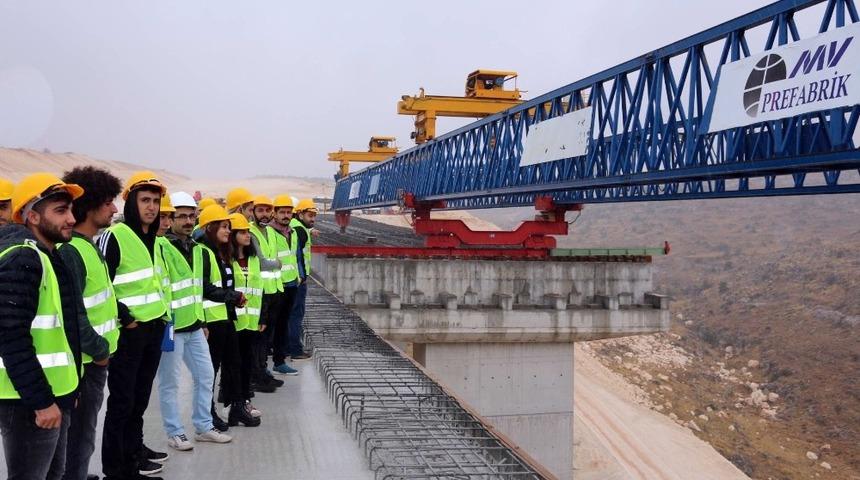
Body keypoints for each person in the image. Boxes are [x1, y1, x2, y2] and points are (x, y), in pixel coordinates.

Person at [0, 173, 86, 480]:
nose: (72, 219)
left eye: (71, 210)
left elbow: (62, 332)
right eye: (60, 211)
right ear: (32, 216)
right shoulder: (22, 258)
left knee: (54, 475)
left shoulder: (48, 255)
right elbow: (11, 338)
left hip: (53, 397)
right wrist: (42, 402)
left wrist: (69, 389)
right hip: (29, 404)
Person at [98, 171, 170, 480]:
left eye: (155, 201)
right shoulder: (117, 236)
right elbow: (103, 286)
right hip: (130, 334)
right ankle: (117, 469)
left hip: (153, 328)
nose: (151, 207)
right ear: (130, 203)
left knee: (139, 399)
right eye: (145, 200)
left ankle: (134, 451)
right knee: (122, 402)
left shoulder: (153, 239)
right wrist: (126, 318)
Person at [58, 167, 123, 480]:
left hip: (93, 363)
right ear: (91, 203)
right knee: (78, 440)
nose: (114, 209)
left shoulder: (88, 246)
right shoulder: (72, 252)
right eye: (109, 201)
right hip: (84, 365)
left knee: (82, 438)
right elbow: (73, 314)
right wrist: (99, 351)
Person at [155, 192, 232, 452]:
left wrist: (203, 321)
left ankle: (203, 426)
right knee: (170, 382)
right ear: (170, 218)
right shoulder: (161, 247)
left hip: (195, 326)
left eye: (192, 216)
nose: (188, 221)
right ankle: (175, 432)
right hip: (171, 328)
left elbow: (199, 289)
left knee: (206, 375)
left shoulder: (198, 251)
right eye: (182, 216)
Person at [197, 205, 259, 428]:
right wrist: (232, 296)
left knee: (233, 365)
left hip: (226, 317)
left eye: (228, 227)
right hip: (212, 321)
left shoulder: (222, 253)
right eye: (223, 227)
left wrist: (232, 300)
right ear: (210, 228)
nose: (227, 231)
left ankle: (236, 408)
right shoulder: (203, 252)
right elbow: (203, 287)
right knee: (210, 371)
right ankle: (208, 412)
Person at [228, 213, 265, 421]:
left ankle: (244, 401)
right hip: (234, 323)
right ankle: (235, 403)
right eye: (242, 232)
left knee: (246, 363)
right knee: (234, 365)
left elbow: (260, 290)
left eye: (248, 231)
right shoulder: (227, 260)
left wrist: (263, 317)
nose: (247, 235)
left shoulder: (252, 259)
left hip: (251, 322)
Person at [268, 195, 300, 375]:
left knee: (283, 325)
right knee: (269, 326)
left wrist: (298, 277)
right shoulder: (270, 233)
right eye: (282, 212)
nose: (286, 215)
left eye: (289, 212)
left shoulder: (292, 232)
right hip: (275, 285)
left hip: (291, 285)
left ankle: (279, 362)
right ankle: (262, 365)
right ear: (275, 213)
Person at [286, 199, 318, 362]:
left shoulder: (296, 227)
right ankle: (295, 349)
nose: (312, 219)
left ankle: (286, 347)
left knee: (289, 314)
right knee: (296, 314)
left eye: (314, 216)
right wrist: (301, 277)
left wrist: (310, 230)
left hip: (292, 278)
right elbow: (297, 256)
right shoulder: (299, 230)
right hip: (297, 280)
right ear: (299, 214)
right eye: (309, 215)